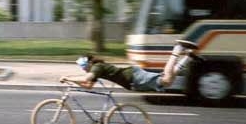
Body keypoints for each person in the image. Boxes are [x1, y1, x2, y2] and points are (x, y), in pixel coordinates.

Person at [60, 40, 201, 92]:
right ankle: (188, 58)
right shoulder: (96, 69)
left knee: (165, 80)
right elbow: (88, 85)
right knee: (167, 83)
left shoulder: (96, 67)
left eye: (83, 65)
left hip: (134, 77)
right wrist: (71, 81)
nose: (83, 68)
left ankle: (177, 49)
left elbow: (86, 79)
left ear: (89, 62)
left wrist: (68, 77)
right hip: (133, 79)